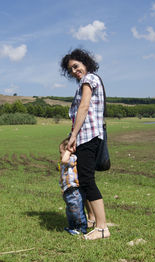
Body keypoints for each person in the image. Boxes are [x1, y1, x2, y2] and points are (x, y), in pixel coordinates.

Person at [60, 48, 110, 240]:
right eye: (70, 69)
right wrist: (72, 137)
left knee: (87, 180)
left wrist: (73, 136)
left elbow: (84, 107)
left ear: (85, 63)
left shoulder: (90, 79)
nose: (74, 71)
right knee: (82, 178)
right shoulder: (83, 82)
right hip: (83, 137)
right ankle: (91, 219)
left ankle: (102, 228)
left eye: (76, 66)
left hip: (88, 137)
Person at [58, 137, 87, 235]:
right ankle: (72, 227)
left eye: (61, 152)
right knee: (70, 210)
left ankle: (81, 229)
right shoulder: (64, 162)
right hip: (67, 190)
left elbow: (65, 160)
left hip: (73, 189)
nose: (60, 155)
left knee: (76, 210)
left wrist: (68, 150)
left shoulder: (72, 158)